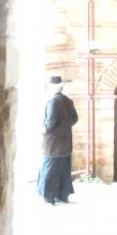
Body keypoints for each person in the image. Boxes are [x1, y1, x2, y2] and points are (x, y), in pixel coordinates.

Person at [37, 75, 79, 205]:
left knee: (50, 168)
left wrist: (43, 129)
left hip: (53, 144)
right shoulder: (68, 101)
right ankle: (63, 195)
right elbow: (75, 119)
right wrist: (65, 127)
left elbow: (50, 122)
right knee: (64, 170)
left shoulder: (53, 102)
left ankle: (49, 196)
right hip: (66, 143)